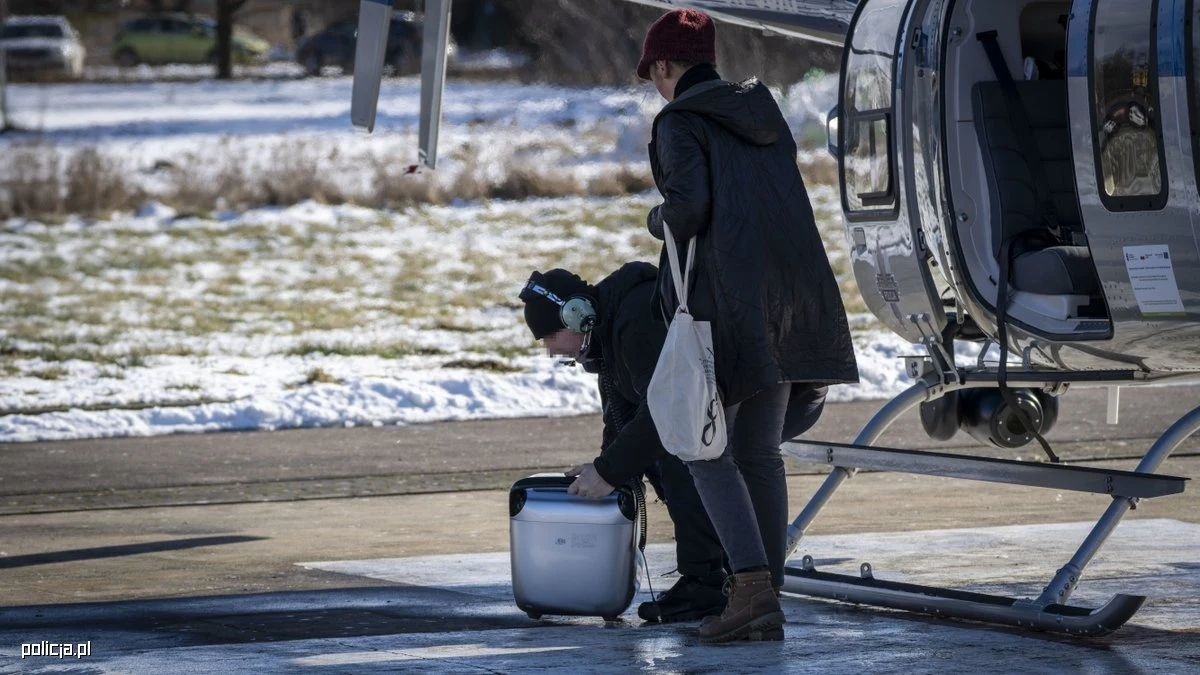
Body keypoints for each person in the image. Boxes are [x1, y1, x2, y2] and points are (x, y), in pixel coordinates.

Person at [636, 9, 859, 643]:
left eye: (652, 72)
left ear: (663, 66)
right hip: (794, 297)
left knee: (704, 451)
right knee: (759, 451)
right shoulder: (765, 115)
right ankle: (766, 596)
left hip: (730, 304)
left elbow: (689, 210)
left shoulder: (679, 122)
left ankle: (752, 590)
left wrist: (656, 220)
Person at [518, 265, 832, 625]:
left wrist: (608, 471)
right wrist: (604, 468)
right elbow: (624, 419)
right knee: (655, 451)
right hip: (740, 391)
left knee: (677, 448)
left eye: (548, 337)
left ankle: (709, 582)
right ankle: (720, 573)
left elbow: (666, 414)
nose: (549, 351)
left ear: (578, 315)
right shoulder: (607, 338)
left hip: (780, 392)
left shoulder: (635, 321)